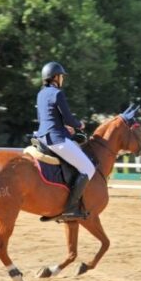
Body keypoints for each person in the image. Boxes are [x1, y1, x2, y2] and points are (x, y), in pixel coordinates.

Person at [34, 61, 96, 220]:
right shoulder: (57, 93)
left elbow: (44, 118)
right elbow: (68, 117)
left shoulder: (41, 93)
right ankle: (70, 208)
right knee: (89, 168)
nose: (62, 79)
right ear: (55, 77)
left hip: (42, 137)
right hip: (57, 139)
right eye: (61, 76)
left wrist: (64, 127)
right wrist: (78, 125)